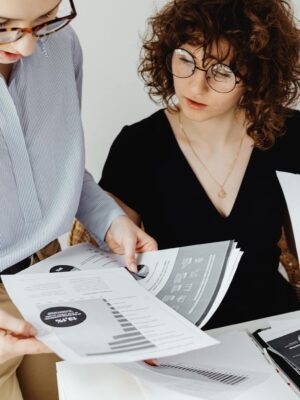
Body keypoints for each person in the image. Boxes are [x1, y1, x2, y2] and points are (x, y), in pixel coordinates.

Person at [100, 0, 300, 331]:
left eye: (221, 72)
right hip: (176, 332)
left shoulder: (290, 135)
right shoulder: (138, 146)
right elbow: (112, 264)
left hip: (273, 326)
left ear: (257, 75)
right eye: (186, 60)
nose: (196, 86)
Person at [0, 0, 157, 399]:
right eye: (3, 25)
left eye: (45, 19)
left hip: (50, 275)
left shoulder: (62, 45)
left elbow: (57, 164)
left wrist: (108, 218)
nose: (28, 47)